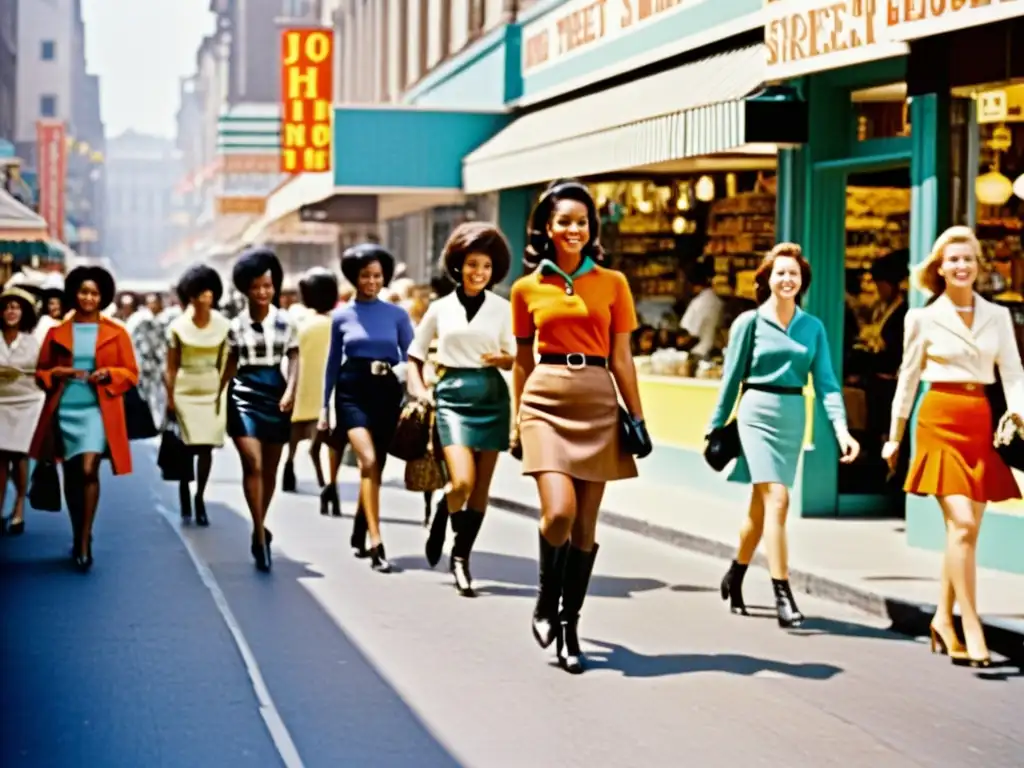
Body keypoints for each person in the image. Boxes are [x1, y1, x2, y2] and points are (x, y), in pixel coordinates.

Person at [510, 180, 650, 674]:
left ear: (592, 230)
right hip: (544, 402)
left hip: (597, 402)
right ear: (546, 228)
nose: (574, 229)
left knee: (587, 528)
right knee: (559, 515)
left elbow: (623, 357)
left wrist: (636, 416)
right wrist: (516, 420)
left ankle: (570, 626)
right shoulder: (526, 288)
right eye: (564, 221)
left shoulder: (614, 283)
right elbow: (522, 360)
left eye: (582, 222)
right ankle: (547, 597)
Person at [883, 226, 1024, 669]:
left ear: (978, 267)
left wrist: (1018, 413)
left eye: (969, 259)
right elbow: (907, 378)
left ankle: (943, 619)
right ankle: (971, 625)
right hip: (938, 419)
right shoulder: (921, 318)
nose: (962, 266)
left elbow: (1014, 373)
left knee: (963, 533)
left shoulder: (997, 316)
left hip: (980, 420)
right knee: (962, 524)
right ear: (939, 268)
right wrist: (894, 435)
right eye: (954, 259)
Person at [709, 243, 860, 628]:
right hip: (756, 412)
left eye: (794, 273)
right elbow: (731, 380)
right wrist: (715, 426)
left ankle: (735, 575)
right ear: (767, 279)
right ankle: (783, 594)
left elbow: (826, 383)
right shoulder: (749, 323)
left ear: (802, 281)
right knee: (777, 500)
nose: (787, 279)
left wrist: (841, 429)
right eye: (780, 273)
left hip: (794, 416)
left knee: (759, 512)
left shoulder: (813, 327)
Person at [407, 222, 516, 597]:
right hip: (452, 394)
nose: (479, 273)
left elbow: (516, 357)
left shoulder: (504, 309)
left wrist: (505, 359)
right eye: (472, 264)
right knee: (463, 482)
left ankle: (461, 558)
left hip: (492, 395)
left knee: (481, 490)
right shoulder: (440, 309)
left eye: (486, 266)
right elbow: (415, 356)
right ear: (459, 265)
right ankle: (443, 509)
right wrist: (421, 391)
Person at [31, 266, 139, 571]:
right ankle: (77, 528)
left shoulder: (117, 332)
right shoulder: (56, 333)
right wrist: (58, 373)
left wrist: (110, 374)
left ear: (102, 296)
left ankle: (84, 538)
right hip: (63, 409)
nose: (88, 298)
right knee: (72, 474)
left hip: (97, 410)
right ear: (74, 295)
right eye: (83, 292)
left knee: (90, 469)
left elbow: (131, 373)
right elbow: (41, 373)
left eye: (94, 293)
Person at [319, 243, 414, 573]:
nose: (372, 281)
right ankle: (377, 540)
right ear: (354, 278)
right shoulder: (342, 315)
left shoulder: (398, 315)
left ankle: (360, 528)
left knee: (377, 466)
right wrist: (324, 409)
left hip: (387, 392)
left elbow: (410, 356)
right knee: (368, 460)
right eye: (365, 276)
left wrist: (414, 388)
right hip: (352, 391)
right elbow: (332, 363)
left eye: (377, 275)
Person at [220, 248, 300, 572]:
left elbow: (295, 358)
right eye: (257, 287)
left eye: (268, 286)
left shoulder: (287, 322)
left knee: (270, 470)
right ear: (245, 289)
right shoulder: (234, 326)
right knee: (251, 464)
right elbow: (227, 365)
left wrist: (292, 391)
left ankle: (260, 524)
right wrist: (213, 397)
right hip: (243, 393)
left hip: (276, 393)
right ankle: (257, 531)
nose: (263, 292)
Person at [166, 265, 232, 526]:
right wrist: (170, 398)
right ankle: (184, 489)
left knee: (207, 448)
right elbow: (170, 366)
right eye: (200, 293)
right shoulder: (177, 327)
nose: (206, 297)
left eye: (209, 292)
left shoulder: (224, 326)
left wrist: (224, 389)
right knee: (185, 448)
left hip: (212, 390)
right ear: (189, 296)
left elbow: (226, 362)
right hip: (184, 390)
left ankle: (200, 497)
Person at [283, 267, 341, 516]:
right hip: (329, 392)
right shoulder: (337, 323)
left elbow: (289, 360)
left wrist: (289, 387)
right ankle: (329, 483)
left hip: (303, 388)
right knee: (328, 442)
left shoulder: (299, 323)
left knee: (295, 436)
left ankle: (289, 465)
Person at [0, 288, 44, 536]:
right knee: (0, 458)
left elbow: (41, 372)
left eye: (15, 307)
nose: (10, 312)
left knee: (19, 456)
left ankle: (19, 506)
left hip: (26, 402)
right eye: (7, 307)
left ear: (23, 312)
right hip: (0, 402)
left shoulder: (32, 342)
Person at [677, 258, 724, 359]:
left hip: (699, 354)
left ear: (690, 283)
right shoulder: (717, 301)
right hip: (714, 352)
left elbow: (690, 336)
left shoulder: (698, 304)